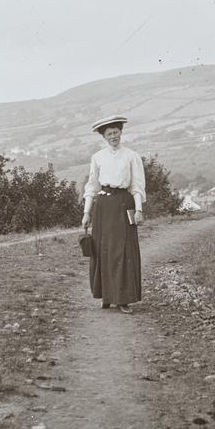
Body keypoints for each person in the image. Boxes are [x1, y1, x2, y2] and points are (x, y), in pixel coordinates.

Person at [82, 115, 146, 312]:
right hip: (103, 207)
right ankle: (107, 296)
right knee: (103, 250)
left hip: (123, 204)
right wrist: (87, 212)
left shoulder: (131, 156)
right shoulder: (98, 158)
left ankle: (123, 298)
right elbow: (92, 186)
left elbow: (136, 185)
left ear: (121, 133)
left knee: (123, 250)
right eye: (109, 134)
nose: (113, 136)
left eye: (116, 132)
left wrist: (138, 210)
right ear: (104, 137)